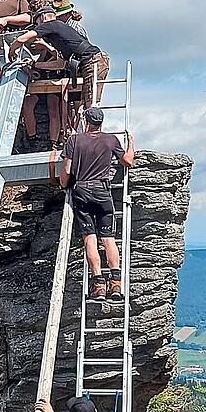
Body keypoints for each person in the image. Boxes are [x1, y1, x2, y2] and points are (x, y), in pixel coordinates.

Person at [59, 107, 134, 301]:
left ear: (86, 121)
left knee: (89, 238)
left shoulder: (74, 140)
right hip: (102, 192)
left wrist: (63, 184)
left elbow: (66, 170)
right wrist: (131, 142)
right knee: (108, 239)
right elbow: (127, 161)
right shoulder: (110, 140)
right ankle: (116, 284)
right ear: (101, 122)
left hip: (82, 191)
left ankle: (99, 286)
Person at [8, 7, 110, 110]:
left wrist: (11, 51)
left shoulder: (51, 25)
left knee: (91, 106)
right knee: (85, 106)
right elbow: (60, 64)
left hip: (92, 61)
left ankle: (93, 124)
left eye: (37, 24)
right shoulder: (58, 35)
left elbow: (21, 39)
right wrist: (34, 64)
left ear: (42, 18)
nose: (37, 27)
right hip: (92, 61)